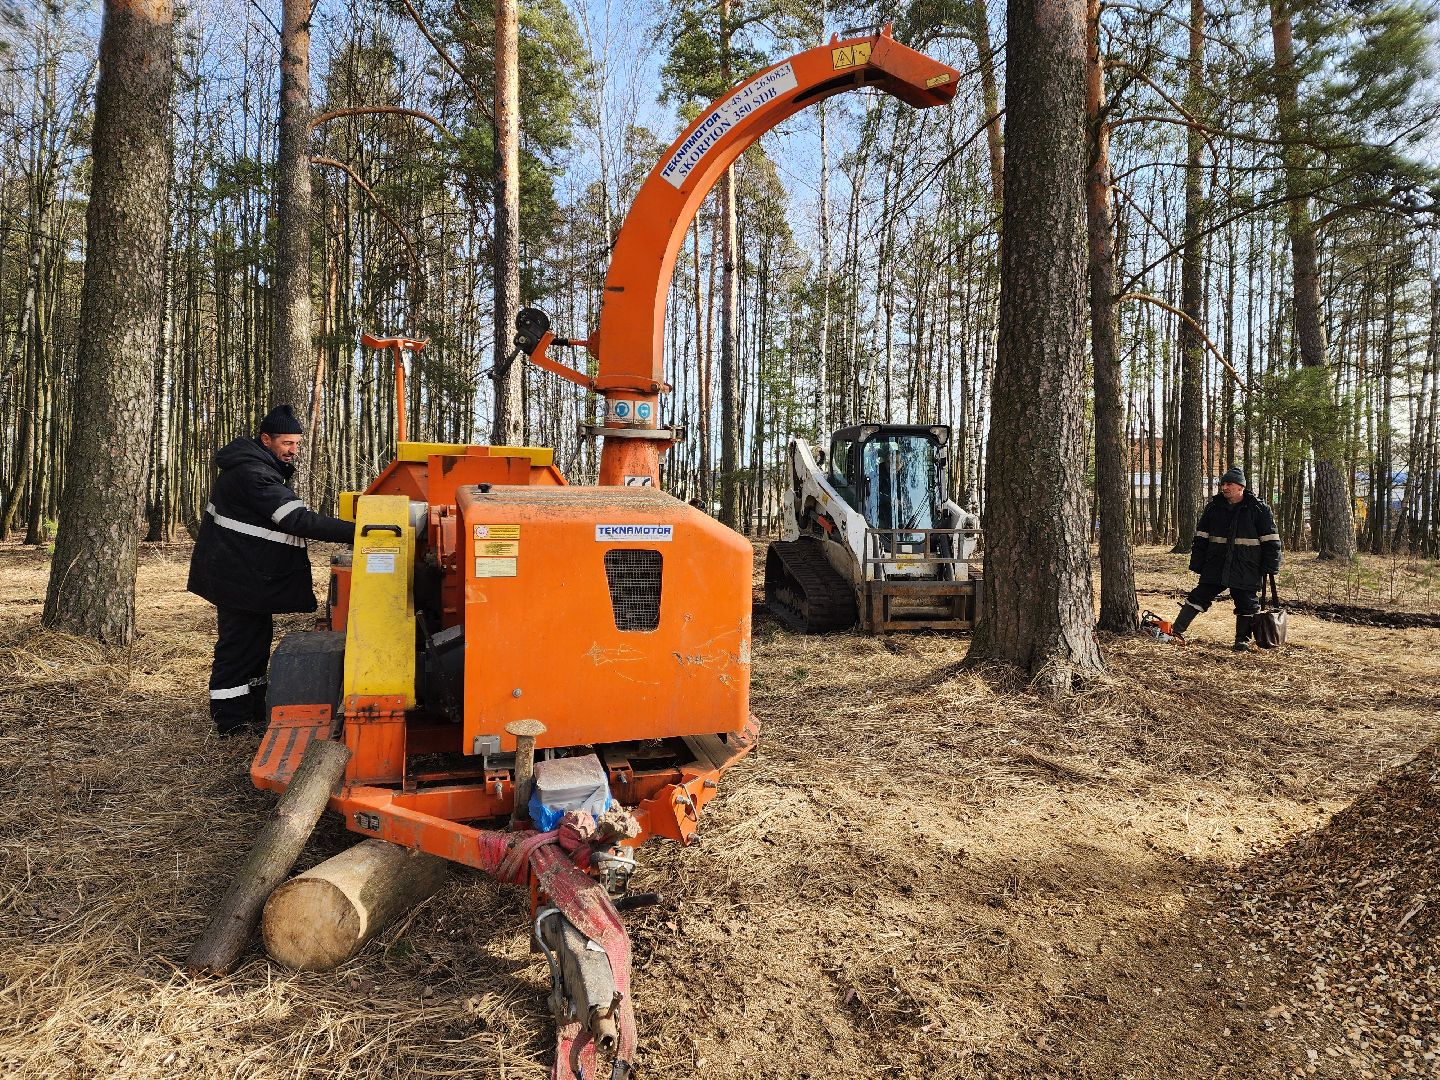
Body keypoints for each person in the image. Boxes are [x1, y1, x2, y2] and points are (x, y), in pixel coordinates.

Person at [187, 405, 354, 734]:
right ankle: (230, 720)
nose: (294, 451)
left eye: (297, 444)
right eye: (287, 444)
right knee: (238, 648)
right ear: (266, 440)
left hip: (245, 576)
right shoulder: (253, 474)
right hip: (237, 577)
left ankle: (250, 708)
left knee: (254, 644)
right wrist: (359, 529)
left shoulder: (256, 469)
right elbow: (296, 520)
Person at [1170, 466, 1282, 651]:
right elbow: (1201, 538)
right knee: (1199, 596)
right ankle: (1176, 631)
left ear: (1241, 487)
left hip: (1247, 566)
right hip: (1216, 564)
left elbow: (1271, 541)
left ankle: (1242, 641)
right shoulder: (1213, 508)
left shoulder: (1259, 509)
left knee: (1246, 603)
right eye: (1223, 483)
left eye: (1229, 484)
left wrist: (1270, 567)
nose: (1224, 487)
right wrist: (1197, 563)